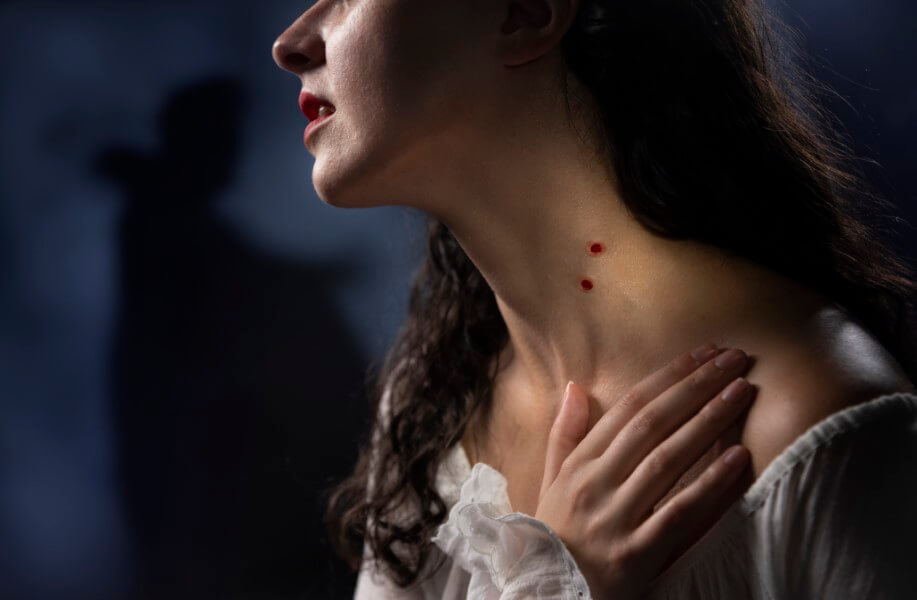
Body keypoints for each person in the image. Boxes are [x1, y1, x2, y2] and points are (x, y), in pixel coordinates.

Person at [271, 0, 917, 597]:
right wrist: (551, 580)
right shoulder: (434, 399)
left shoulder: (826, 433)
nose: (290, 44)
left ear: (526, 13)